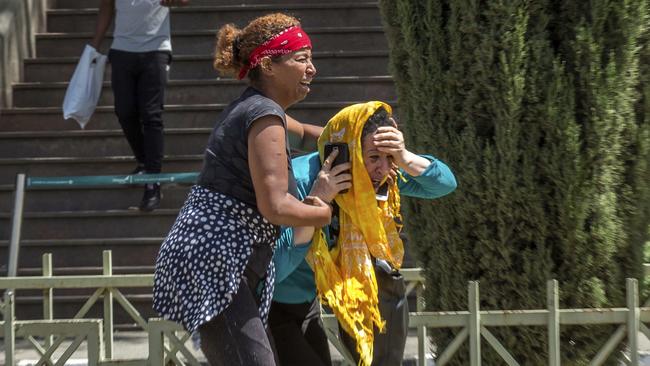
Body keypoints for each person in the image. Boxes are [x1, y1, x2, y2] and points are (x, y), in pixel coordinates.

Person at [152, 13, 332, 366]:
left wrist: (359, 132)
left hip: (217, 255)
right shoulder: (263, 114)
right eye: (302, 58)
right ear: (268, 65)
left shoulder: (260, 109)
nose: (312, 68)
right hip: (214, 256)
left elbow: (315, 135)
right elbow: (276, 206)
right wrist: (323, 210)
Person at [269, 101, 457, 366]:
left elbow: (445, 184)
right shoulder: (302, 180)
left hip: (308, 300)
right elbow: (273, 266)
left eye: (388, 157)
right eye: (373, 158)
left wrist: (403, 156)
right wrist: (317, 202)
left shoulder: (382, 178)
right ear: (349, 153)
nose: (383, 169)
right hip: (269, 302)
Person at [91, 0, 189, 211]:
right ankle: (145, 162)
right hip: (121, 49)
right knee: (124, 111)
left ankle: (152, 183)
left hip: (156, 50)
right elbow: (106, 6)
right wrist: (95, 44)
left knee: (151, 115)